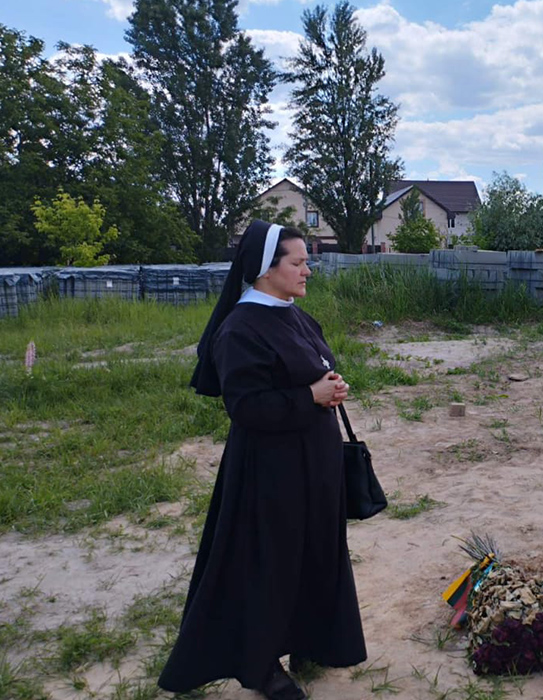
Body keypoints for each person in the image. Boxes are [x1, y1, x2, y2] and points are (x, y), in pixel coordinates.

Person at [158, 221, 366, 700]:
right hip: (270, 471)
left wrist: (328, 388)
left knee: (315, 553)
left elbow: (308, 372)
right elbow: (247, 407)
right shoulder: (240, 328)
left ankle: (310, 642)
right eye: (297, 262)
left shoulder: (294, 314)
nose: (307, 270)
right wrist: (310, 396)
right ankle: (261, 665)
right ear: (265, 269)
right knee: (269, 565)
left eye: (305, 261)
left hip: (314, 463)